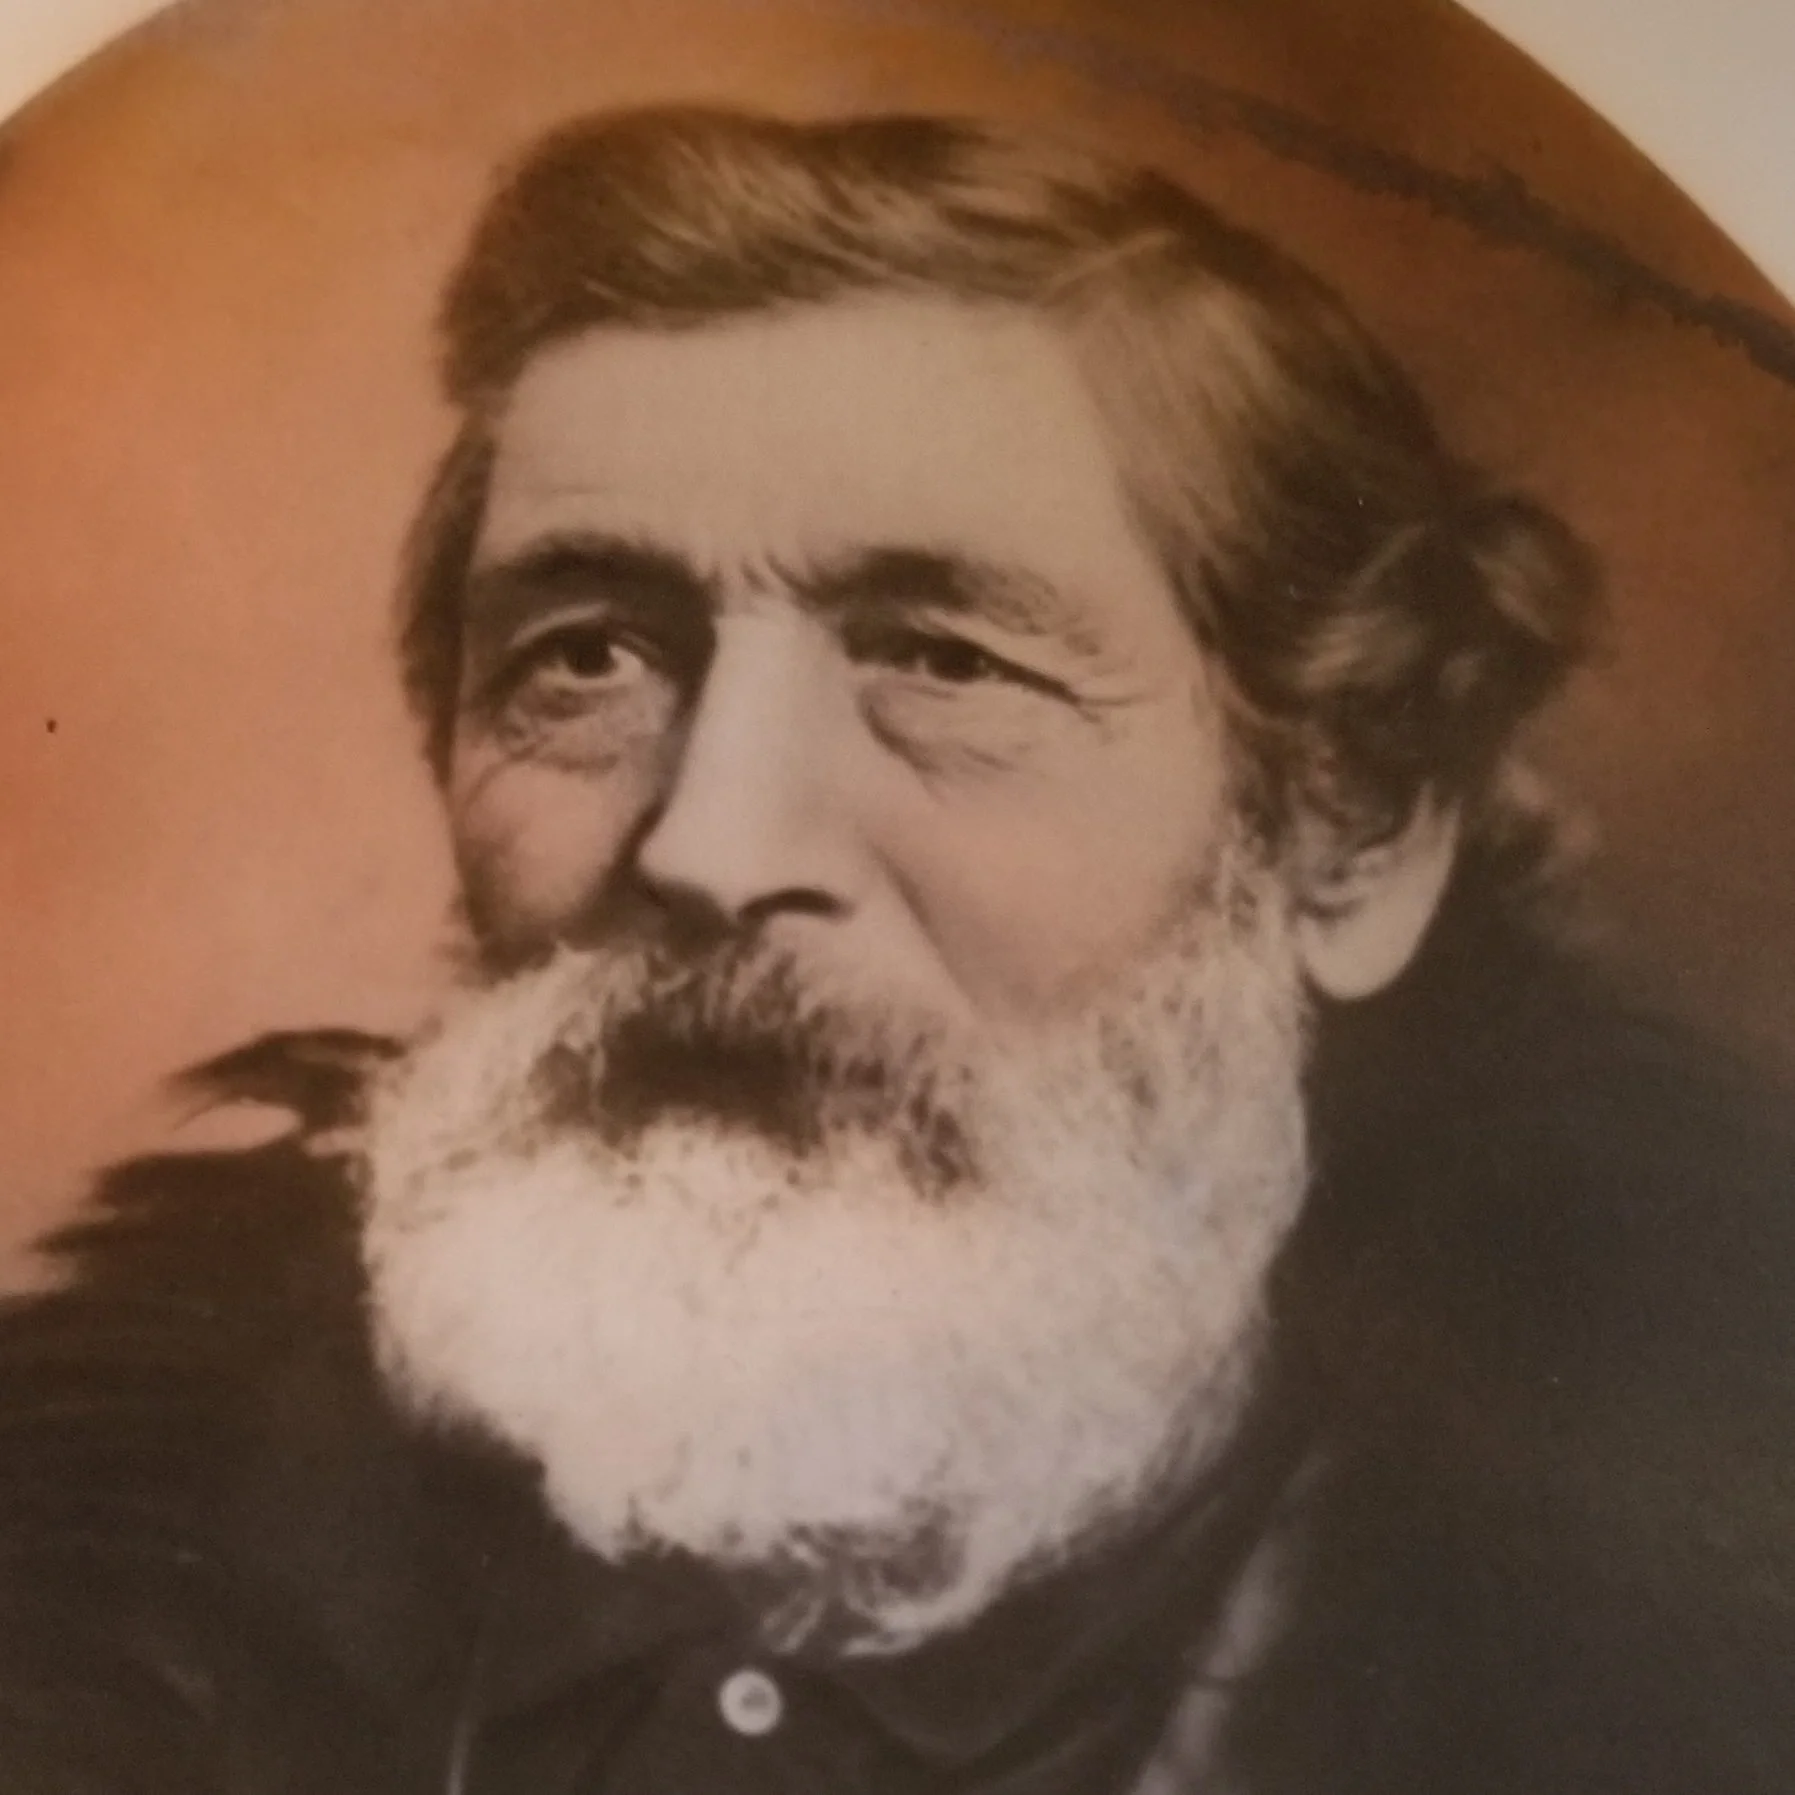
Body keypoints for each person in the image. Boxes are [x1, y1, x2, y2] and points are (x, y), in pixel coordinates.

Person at [3, 104, 1792, 1795]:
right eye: (587, 655)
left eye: (944, 662)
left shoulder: (1669, 1665)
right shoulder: (105, 1598)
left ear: (1348, 835)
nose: (710, 848)